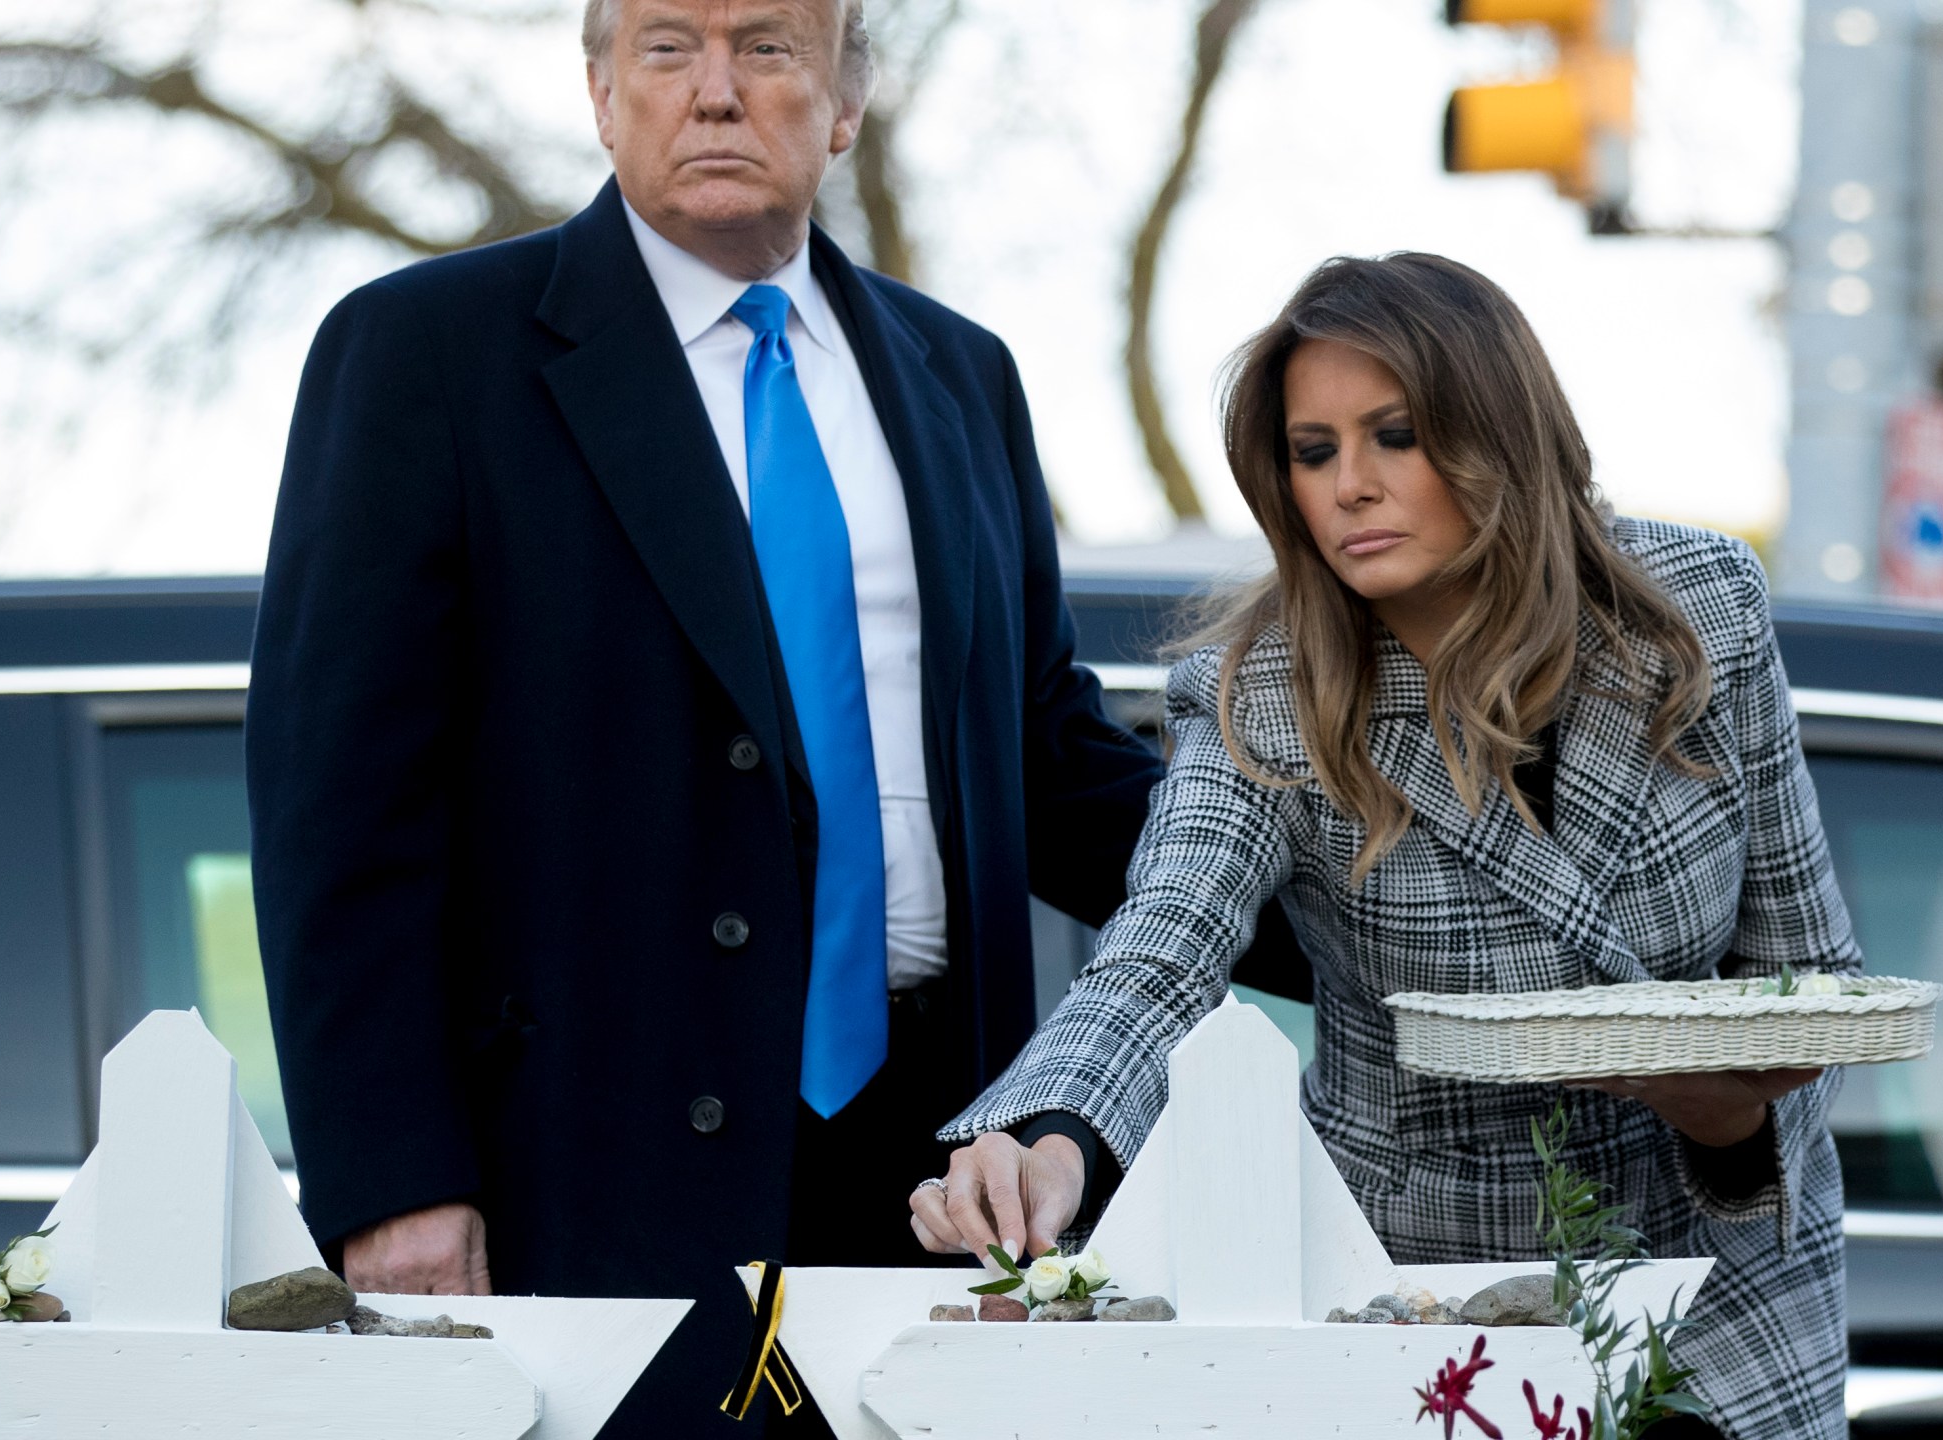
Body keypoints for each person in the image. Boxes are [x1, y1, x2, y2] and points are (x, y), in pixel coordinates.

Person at [244, 1, 1293, 1432]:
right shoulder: (425, 357)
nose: (719, 93)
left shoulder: (960, 377)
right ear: (603, 96)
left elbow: (1047, 759)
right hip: (585, 1183)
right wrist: (396, 1182)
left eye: (770, 48)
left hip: (943, 1172)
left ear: (847, 100)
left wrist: (1369, 897)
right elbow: (339, 811)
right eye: (669, 49)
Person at [912, 253, 1859, 1440]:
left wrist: (1727, 1120)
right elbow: (1159, 954)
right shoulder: (1265, 697)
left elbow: (1810, 973)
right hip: (1425, 1323)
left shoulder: (1697, 605)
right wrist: (1048, 1137)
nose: (1350, 486)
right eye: (1314, 452)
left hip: (1721, 1304)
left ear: (1497, 434)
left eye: (1394, 435)